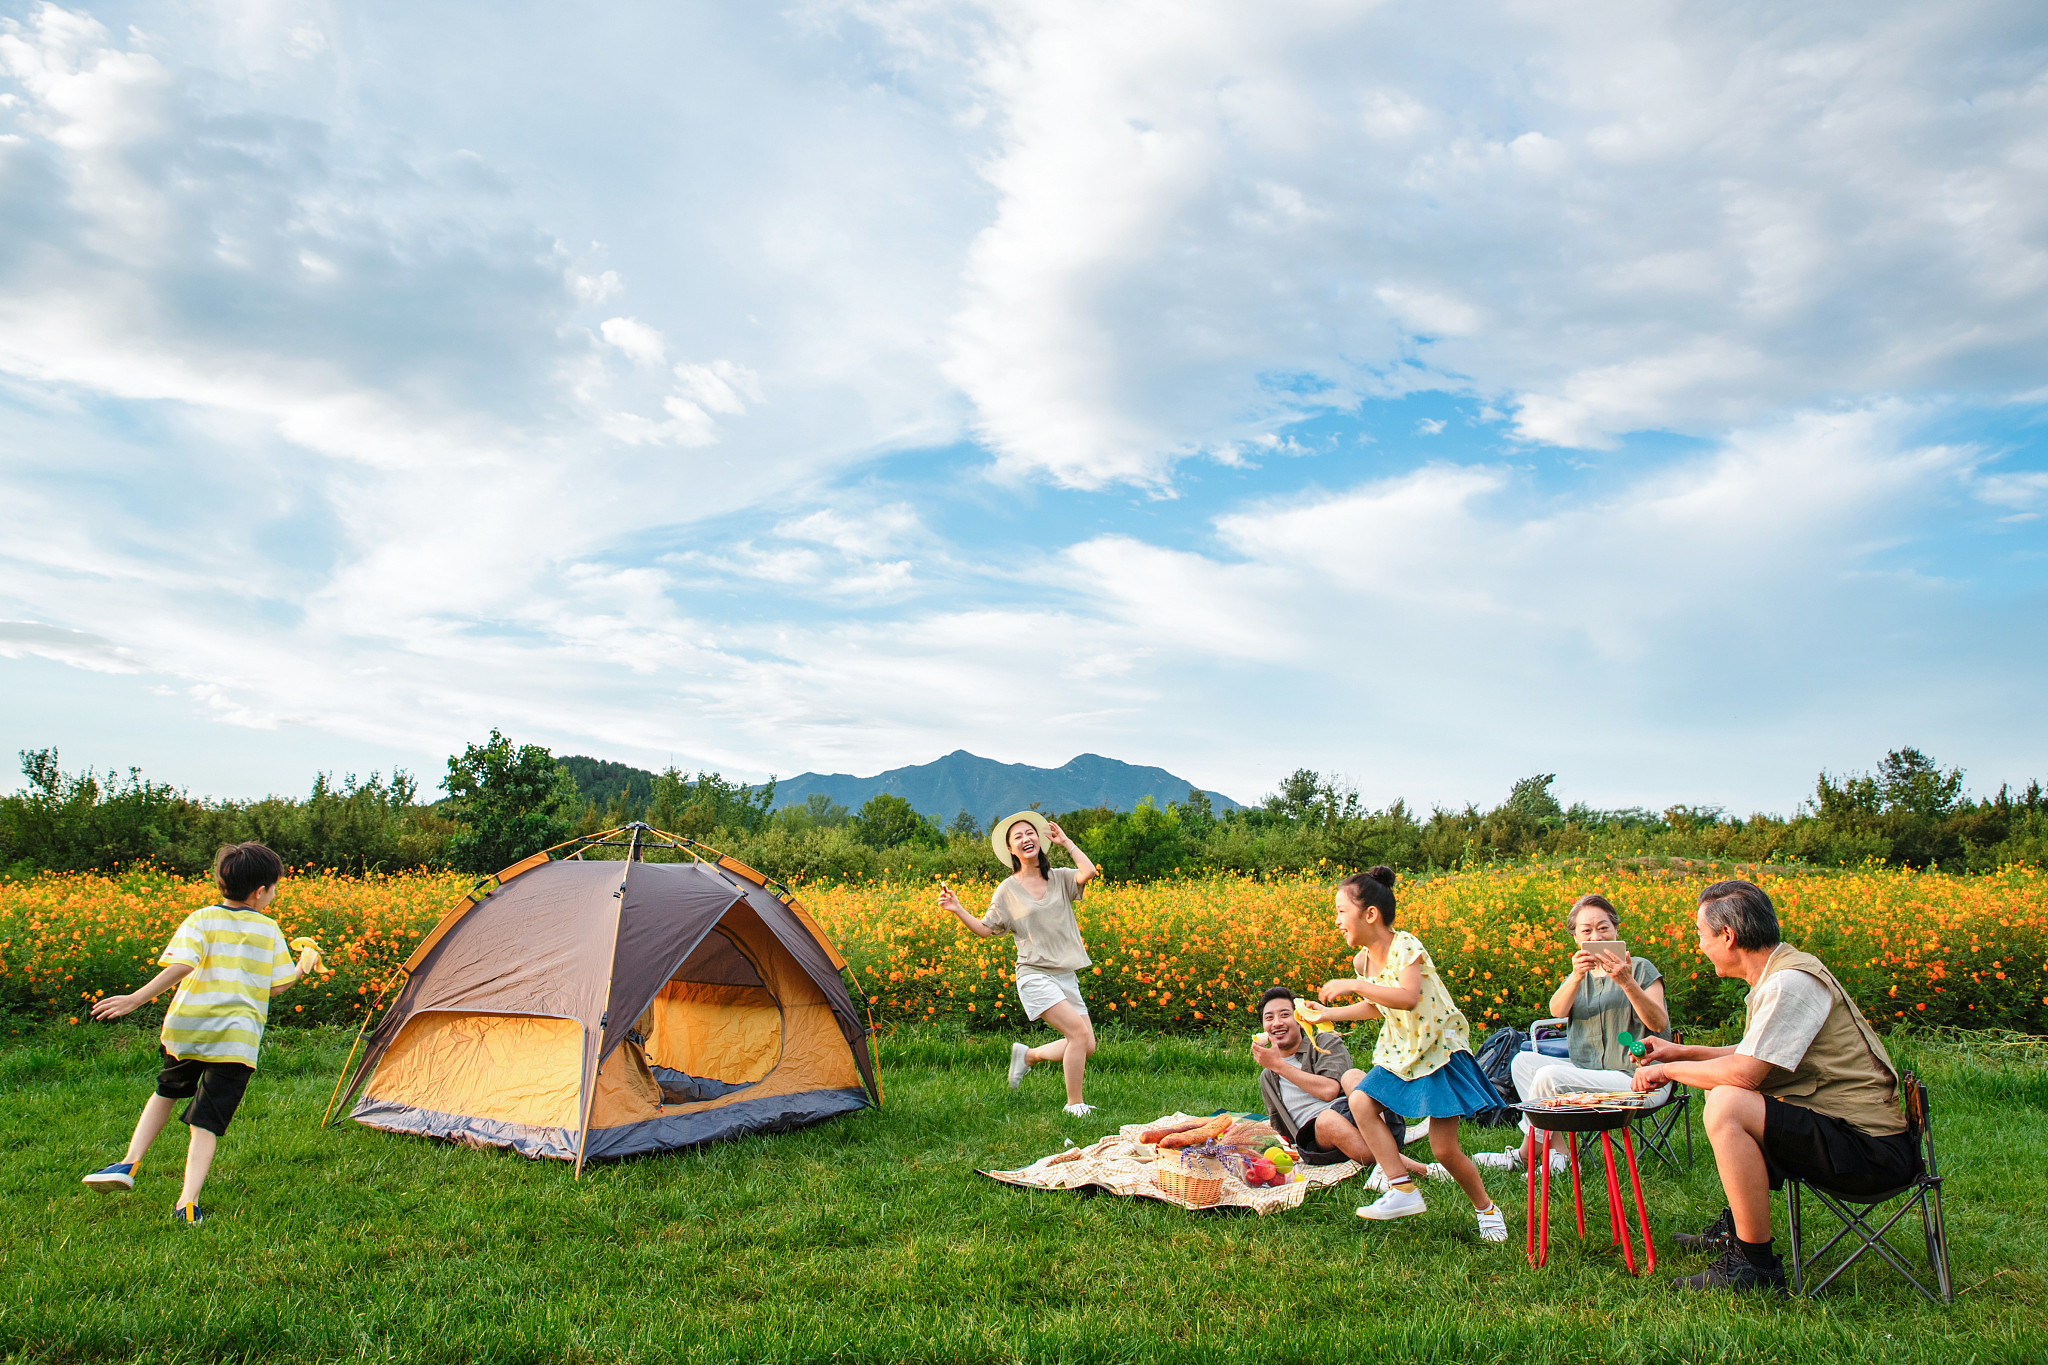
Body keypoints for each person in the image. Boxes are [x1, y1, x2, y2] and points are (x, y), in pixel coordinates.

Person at [1632, 879, 1916, 1293]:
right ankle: (1737, 1231)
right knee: (1724, 1090)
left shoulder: (1789, 983)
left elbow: (1745, 1073)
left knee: (1729, 1099)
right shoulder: (1782, 973)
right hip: (1852, 1134)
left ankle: (1754, 1266)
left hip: (1871, 1152)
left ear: (1727, 936)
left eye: (1701, 935)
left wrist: (1670, 1073)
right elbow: (1756, 1054)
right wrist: (1681, 1053)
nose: (1700, 945)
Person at [80, 842, 320, 1224]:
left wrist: (137, 999)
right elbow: (274, 987)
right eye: (274, 888)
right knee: (207, 1119)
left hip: (189, 1027)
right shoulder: (268, 929)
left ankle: (128, 1164)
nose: (274, 895)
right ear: (260, 891)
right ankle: (187, 1203)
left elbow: (181, 965)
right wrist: (302, 969)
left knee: (166, 1090)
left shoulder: (201, 918)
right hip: (235, 1038)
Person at [1313, 866, 1511, 1242]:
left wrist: (1354, 986)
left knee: (1445, 1150)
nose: (1336, 920)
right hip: (1402, 1051)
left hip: (1438, 1050)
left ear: (1370, 914)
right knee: (1360, 1101)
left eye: (1340, 911)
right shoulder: (1363, 961)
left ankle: (1487, 1209)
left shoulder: (1405, 945)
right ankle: (1402, 1188)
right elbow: (1377, 1007)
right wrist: (1329, 1014)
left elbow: (1407, 997)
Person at [1475, 892, 1670, 1173]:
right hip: (1589, 1071)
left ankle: (1524, 1156)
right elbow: (1557, 1010)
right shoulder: (1581, 974)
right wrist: (1576, 976)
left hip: (1639, 1080)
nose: (1597, 936)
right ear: (1576, 938)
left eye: (1603, 928)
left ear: (1616, 929)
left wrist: (1626, 982)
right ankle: (1559, 1154)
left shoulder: (1639, 968)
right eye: (1587, 930)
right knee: (1523, 1063)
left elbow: (1658, 1024)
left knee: (1549, 1076)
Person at [937, 811, 1101, 1116]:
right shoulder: (1007, 890)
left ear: (1039, 839)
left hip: (1065, 974)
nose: (1026, 839)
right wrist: (958, 909)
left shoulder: (1061, 877)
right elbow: (986, 929)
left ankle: (1027, 1057)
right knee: (1077, 1035)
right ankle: (1074, 1105)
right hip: (1034, 974)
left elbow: (1088, 870)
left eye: (1030, 833)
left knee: (1086, 1045)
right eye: (1018, 837)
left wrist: (1066, 841)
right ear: (1011, 850)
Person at [1250, 986, 1444, 1186]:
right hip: (1322, 1136)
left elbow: (1329, 1091)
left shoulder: (1324, 1041)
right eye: (1269, 1018)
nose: (1277, 1023)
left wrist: (1279, 1065)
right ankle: (1423, 1170)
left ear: (1301, 1020)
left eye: (1284, 1015)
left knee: (1352, 1076)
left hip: (1365, 1116)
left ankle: (1384, 1153)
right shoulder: (1268, 1076)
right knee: (1326, 1120)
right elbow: (1278, 1126)